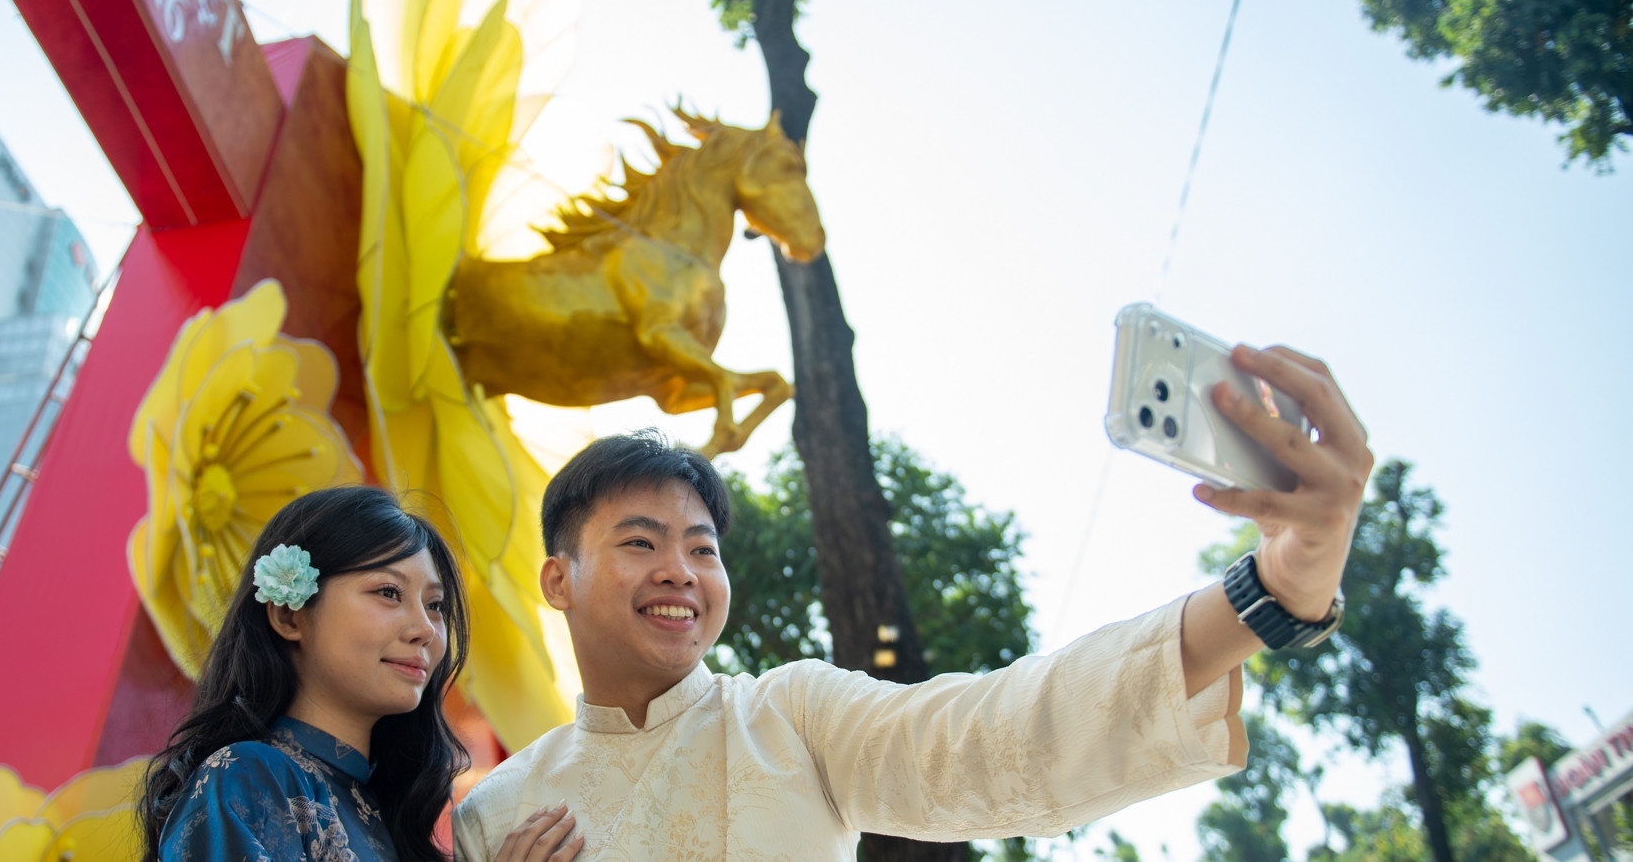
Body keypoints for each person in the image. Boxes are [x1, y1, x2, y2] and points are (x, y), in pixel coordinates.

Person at [454, 345, 1373, 860]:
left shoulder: (791, 715)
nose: (681, 572)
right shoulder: (497, 810)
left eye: (702, 548)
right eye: (641, 543)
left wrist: (1272, 592)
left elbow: (994, 739)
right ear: (558, 579)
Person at [138, 486, 469, 862]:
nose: (425, 629)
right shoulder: (248, 780)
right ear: (289, 615)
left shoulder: (391, 812)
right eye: (389, 592)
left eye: (435, 604)